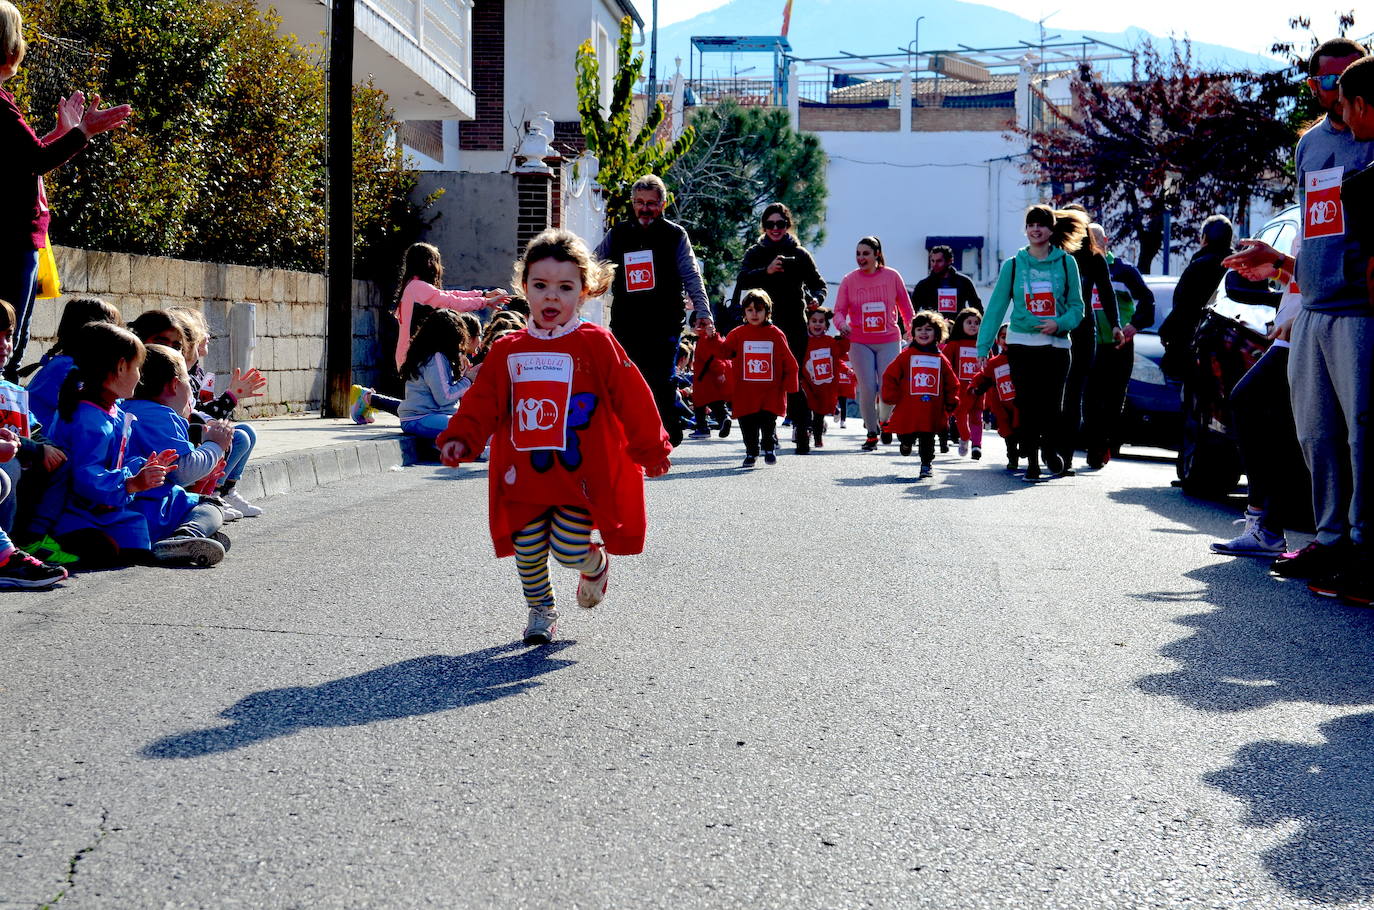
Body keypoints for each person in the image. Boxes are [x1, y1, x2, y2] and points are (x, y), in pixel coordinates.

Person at [438, 229, 672, 645]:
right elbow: (483, 401)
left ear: (584, 291)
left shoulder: (597, 344)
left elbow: (633, 396)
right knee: (526, 546)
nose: (551, 297)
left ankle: (593, 564)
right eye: (540, 285)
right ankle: (541, 610)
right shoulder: (508, 349)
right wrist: (461, 437)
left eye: (565, 287)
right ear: (524, 286)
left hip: (579, 473)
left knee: (566, 547)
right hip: (523, 472)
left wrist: (651, 449)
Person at [1224, 38, 1374, 600]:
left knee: (1363, 433)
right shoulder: (1310, 144)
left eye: (1348, 81)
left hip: (1360, 309)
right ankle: (1331, 538)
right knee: (1317, 433)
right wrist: (1282, 263)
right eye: (1329, 81)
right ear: (1315, 86)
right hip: (1311, 306)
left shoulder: (1372, 137)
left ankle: (1363, 545)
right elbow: (1320, 227)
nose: (1338, 90)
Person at [1, 1, 132, 382]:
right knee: (11, 339)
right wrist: (82, 133)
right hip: (12, 242)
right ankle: (10, 425)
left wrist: (62, 136)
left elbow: (23, 160)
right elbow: (35, 163)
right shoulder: (1, 107)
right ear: (10, 48)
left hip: (15, 240)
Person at [47, 323, 225, 567]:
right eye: (137, 368)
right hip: (90, 511)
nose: (141, 377)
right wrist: (132, 482)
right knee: (207, 508)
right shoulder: (89, 419)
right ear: (121, 367)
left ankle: (176, 541)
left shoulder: (113, 411)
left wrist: (145, 467)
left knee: (136, 538)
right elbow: (86, 476)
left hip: (114, 503)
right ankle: (184, 537)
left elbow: (116, 461)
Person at [594, 174, 712, 448]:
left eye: (651, 203)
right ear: (632, 204)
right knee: (629, 378)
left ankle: (668, 429)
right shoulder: (619, 233)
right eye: (639, 202)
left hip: (664, 322)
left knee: (661, 379)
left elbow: (692, 275)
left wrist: (703, 312)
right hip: (627, 322)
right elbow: (593, 265)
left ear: (663, 204)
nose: (645, 208)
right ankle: (633, 435)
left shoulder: (674, 235)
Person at [1211, 235, 1310, 557]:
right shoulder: (1309, 210)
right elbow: (1304, 280)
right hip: (1291, 333)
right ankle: (1265, 526)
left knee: (1253, 405)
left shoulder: (1337, 195)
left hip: (1309, 331)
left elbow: (1338, 276)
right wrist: (1275, 272)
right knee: (1276, 425)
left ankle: (1266, 523)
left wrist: (1280, 262)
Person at [975, 205, 1086, 482]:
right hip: (1022, 344)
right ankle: (1033, 463)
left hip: (1056, 347)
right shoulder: (1013, 265)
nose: (1036, 229)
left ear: (1051, 230)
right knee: (1026, 404)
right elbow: (997, 306)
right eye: (1031, 224)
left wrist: (1059, 324)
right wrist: (983, 346)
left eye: (1041, 224)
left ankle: (1049, 450)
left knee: (1052, 406)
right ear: (1025, 230)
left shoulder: (1066, 263)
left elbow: (1077, 307)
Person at [351, 243, 508, 423]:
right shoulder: (417, 288)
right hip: (415, 356)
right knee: (426, 407)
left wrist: (484, 294)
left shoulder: (415, 287)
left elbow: (450, 295)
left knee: (424, 406)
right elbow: (449, 301)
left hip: (412, 355)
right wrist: (483, 302)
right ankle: (368, 398)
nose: (439, 267)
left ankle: (368, 398)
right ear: (429, 263)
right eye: (437, 261)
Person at [729, 203, 827, 453]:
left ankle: (803, 427)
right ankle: (769, 430)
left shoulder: (800, 253)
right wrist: (767, 270)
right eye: (770, 224)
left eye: (780, 224)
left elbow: (819, 284)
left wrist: (816, 299)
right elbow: (742, 279)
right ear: (764, 226)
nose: (775, 229)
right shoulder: (756, 251)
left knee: (793, 375)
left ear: (787, 225)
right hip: (761, 326)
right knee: (764, 379)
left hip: (793, 322)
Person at [123, 344, 231, 557]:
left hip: (121, 507)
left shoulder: (121, 409)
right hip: (152, 508)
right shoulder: (163, 415)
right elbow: (183, 471)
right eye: (188, 381)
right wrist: (215, 445)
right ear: (174, 385)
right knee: (212, 506)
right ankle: (186, 535)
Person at [165, 306, 264, 520]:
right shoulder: (180, 374)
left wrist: (231, 398)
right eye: (201, 331)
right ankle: (213, 493)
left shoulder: (196, 371)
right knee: (239, 437)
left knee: (247, 431)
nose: (207, 336)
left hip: (195, 429)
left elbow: (202, 408)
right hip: (188, 435)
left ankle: (227, 490)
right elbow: (195, 414)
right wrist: (231, 398)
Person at [1081, 223, 1155, 469]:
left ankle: (1105, 443)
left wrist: (1133, 326)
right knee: (1090, 398)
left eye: (1095, 239)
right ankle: (1094, 445)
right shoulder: (1080, 268)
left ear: (1106, 240)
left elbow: (1147, 300)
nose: (1091, 244)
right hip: (1090, 344)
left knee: (1113, 399)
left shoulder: (1124, 271)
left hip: (1119, 345)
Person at [832, 236, 915, 451]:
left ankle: (886, 421)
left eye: (865, 254)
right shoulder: (849, 280)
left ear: (877, 254)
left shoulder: (891, 276)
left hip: (888, 339)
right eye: (858, 254)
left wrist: (910, 328)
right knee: (868, 387)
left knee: (887, 386)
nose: (861, 258)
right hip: (860, 341)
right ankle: (871, 432)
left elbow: (906, 307)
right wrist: (842, 324)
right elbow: (838, 310)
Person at [1058, 207, 1122, 472]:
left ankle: (1068, 455)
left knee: (1077, 393)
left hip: (1083, 332)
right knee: (1058, 393)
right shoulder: (1052, 254)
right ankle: (1053, 448)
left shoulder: (1093, 257)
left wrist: (1116, 324)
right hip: (1054, 329)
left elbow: (1106, 291)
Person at [719, 290, 799, 467]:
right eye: (749, 310)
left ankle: (769, 448)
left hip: (770, 390)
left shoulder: (775, 334)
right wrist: (712, 338)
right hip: (745, 391)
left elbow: (789, 361)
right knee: (747, 424)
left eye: (759, 309)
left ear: (767, 312)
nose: (754, 314)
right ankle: (751, 452)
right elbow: (723, 351)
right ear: (744, 313)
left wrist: (790, 385)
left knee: (767, 422)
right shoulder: (738, 333)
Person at [880, 311, 959, 479]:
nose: (924, 332)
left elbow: (951, 382)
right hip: (908, 408)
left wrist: (952, 401)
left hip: (931, 409)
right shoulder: (906, 356)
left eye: (928, 329)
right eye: (919, 329)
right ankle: (906, 444)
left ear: (937, 333)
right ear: (913, 333)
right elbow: (890, 375)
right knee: (905, 434)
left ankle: (926, 464)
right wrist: (890, 396)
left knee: (927, 437)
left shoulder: (941, 359)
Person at [1159, 215, 1234, 380]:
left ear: (1205, 238)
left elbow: (1183, 306)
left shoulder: (1198, 267)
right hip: (1234, 345)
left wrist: (1166, 331)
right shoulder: (1237, 267)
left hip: (1199, 346)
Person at [397, 309, 477, 441]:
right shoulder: (436, 357)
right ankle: (480, 452)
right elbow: (445, 397)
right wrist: (468, 380)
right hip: (421, 417)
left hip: (426, 417)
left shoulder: (430, 355)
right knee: (470, 426)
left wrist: (462, 375)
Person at [969, 324, 1021, 471]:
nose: (1007, 340)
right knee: (1008, 432)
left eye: (1011, 337)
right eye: (1003, 337)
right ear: (997, 341)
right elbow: (984, 377)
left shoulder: (1024, 360)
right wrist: (976, 388)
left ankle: (1025, 449)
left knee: (1022, 428)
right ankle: (1012, 457)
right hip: (1001, 404)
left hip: (1021, 403)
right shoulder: (994, 363)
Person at [799, 307, 847, 450]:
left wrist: (844, 338)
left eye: (821, 321)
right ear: (808, 323)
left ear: (826, 325)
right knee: (807, 408)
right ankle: (805, 433)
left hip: (824, 384)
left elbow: (838, 356)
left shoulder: (830, 341)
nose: (817, 324)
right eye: (814, 321)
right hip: (807, 382)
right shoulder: (804, 341)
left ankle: (818, 436)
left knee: (819, 414)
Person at [943, 308, 984, 459]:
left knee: (977, 417)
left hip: (979, 389)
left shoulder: (983, 345)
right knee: (960, 417)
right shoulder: (954, 344)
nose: (973, 325)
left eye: (977, 323)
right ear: (961, 324)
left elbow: (990, 364)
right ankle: (965, 438)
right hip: (961, 391)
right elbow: (945, 363)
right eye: (969, 322)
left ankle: (977, 446)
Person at [688, 315, 732, 440]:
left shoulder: (704, 339)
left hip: (704, 377)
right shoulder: (710, 338)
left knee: (699, 404)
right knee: (716, 402)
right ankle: (724, 418)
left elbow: (713, 358)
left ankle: (703, 428)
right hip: (710, 376)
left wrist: (719, 372)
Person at [910, 245, 982, 316]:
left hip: (956, 326)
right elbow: (911, 310)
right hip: (933, 326)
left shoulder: (964, 282)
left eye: (939, 261)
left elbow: (977, 309)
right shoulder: (923, 285)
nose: (935, 264)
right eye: (932, 261)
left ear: (949, 261)